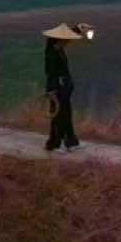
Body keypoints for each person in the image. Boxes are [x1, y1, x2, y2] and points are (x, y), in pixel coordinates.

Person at [43, 23, 88, 152]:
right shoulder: (51, 54)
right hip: (56, 89)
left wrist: (79, 28)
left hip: (64, 88)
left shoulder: (59, 50)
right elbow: (50, 74)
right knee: (58, 116)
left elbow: (72, 35)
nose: (68, 42)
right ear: (58, 39)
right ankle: (55, 143)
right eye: (64, 39)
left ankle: (70, 141)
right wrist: (51, 91)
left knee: (66, 114)